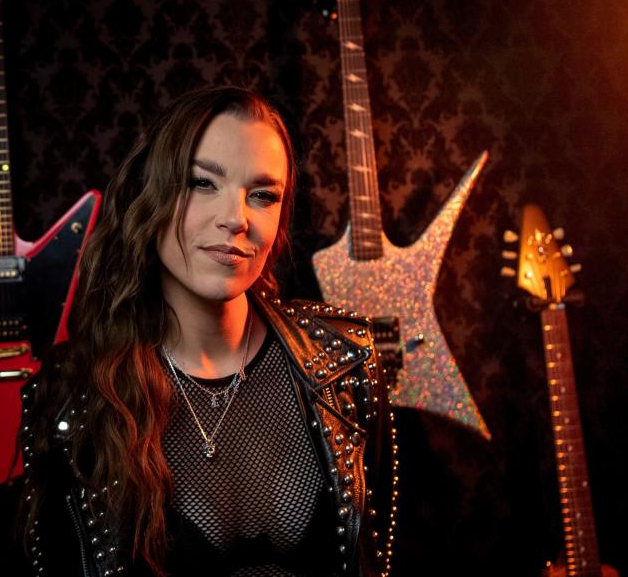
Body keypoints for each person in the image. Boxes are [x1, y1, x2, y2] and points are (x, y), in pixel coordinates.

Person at [19, 86, 394, 576]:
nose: (236, 219)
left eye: (262, 195)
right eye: (203, 183)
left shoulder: (346, 362)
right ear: (150, 194)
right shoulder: (73, 394)